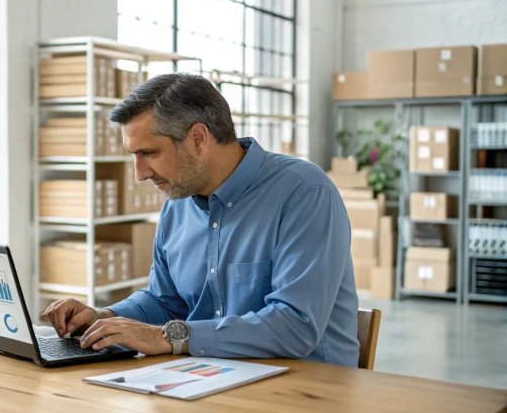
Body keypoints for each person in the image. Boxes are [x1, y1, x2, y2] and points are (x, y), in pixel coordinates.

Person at [42, 73, 360, 367]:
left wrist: (168, 337)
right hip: (213, 379)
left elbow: (295, 326)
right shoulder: (177, 203)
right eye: (133, 156)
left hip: (309, 392)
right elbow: (166, 301)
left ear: (198, 139)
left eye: (150, 153)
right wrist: (104, 318)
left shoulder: (304, 192)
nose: (140, 174)